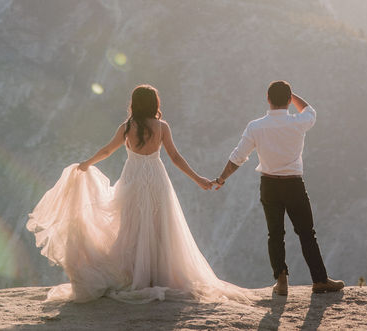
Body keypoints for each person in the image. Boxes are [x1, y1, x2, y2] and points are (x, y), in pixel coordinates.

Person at [27, 84, 249, 303]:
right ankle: (157, 275)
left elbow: (107, 150)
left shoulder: (127, 126)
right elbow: (175, 157)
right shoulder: (162, 127)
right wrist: (198, 179)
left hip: (132, 179)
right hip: (156, 179)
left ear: (134, 104)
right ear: (155, 104)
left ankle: (133, 275)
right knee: (160, 225)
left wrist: (86, 163)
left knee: (130, 227)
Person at [213, 80, 344, 296]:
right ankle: (320, 280)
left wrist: (221, 178)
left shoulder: (255, 126)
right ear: (288, 100)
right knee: (306, 234)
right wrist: (293, 96)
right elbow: (311, 110)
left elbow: (238, 157)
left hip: (269, 184)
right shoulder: (298, 121)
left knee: (275, 234)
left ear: (267, 99)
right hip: (294, 184)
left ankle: (281, 281)